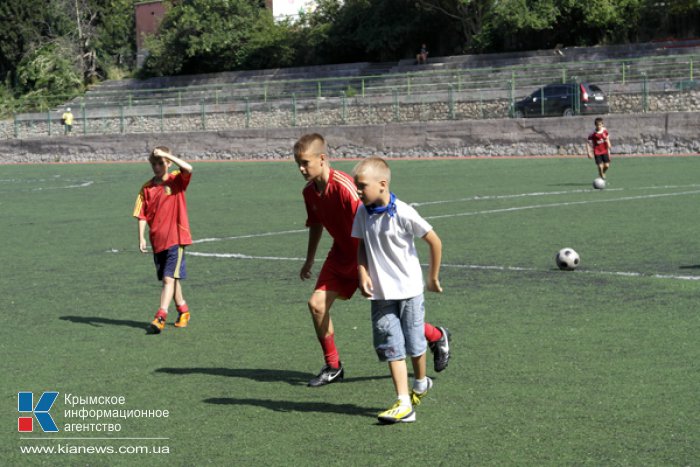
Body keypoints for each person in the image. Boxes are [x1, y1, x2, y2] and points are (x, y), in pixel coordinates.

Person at [293, 133, 450, 388]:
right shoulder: (309, 193)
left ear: (322, 159)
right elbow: (316, 224)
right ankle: (333, 366)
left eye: (305, 162)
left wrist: (368, 267)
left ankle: (435, 335)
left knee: (396, 318)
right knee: (316, 305)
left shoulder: (345, 187)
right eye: (297, 163)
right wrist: (309, 260)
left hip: (367, 256)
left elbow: (370, 220)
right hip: (340, 254)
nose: (301, 169)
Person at [351, 156, 444, 424]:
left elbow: (434, 241)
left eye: (361, 186)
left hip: (410, 291)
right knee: (392, 346)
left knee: (415, 344)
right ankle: (404, 402)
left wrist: (433, 277)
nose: (357, 191)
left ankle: (421, 382)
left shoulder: (403, 212)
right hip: (380, 295)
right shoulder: (362, 212)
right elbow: (360, 245)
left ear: (382, 184)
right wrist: (362, 272)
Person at [133, 147, 194, 334]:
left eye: (161, 163)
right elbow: (142, 214)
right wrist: (141, 236)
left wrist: (167, 155)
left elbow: (189, 168)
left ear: (168, 163)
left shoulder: (176, 180)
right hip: (157, 241)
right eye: (154, 163)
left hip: (176, 238)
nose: (157, 167)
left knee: (169, 278)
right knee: (171, 280)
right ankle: (183, 310)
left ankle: (160, 316)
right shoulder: (146, 188)